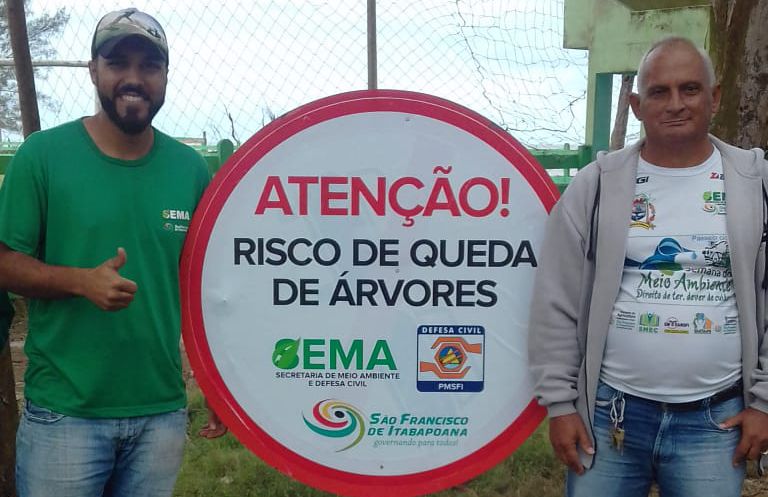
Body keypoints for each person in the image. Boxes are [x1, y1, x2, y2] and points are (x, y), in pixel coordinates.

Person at [528, 36, 768, 497]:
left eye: (690, 89)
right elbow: (555, 300)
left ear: (715, 97)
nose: (675, 104)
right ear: (637, 106)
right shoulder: (596, 186)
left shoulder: (755, 185)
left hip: (716, 423)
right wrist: (560, 405)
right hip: (608, 416)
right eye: (659, 92)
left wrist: (764, 404)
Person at [0, 8, 212, 497]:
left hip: (160, 411)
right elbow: (5, 261)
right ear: (93, 70)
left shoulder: (189, 170)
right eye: (118, 63)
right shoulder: (43, 156)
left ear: (165, 76)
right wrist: (81, 281)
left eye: (149, 66)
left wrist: (214, 385)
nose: (134, 78)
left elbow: (206, 287)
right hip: (66, 414)